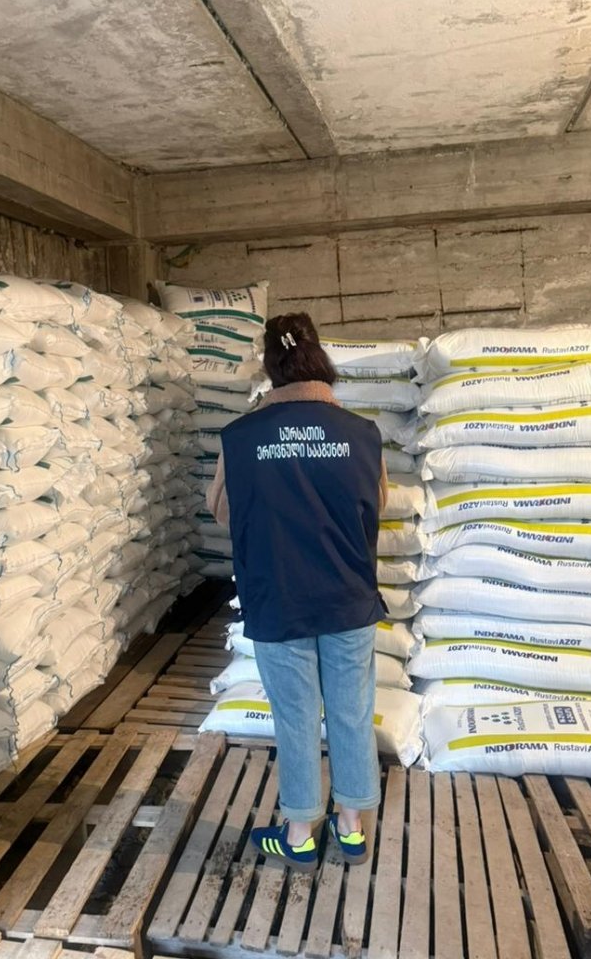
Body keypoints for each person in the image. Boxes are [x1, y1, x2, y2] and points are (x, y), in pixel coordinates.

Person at [206, 312, 387, 871]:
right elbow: (378, 503)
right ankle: (352, 829)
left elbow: (223, 511)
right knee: (352, 711)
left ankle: (300, 834)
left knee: (297, 716)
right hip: (348, 596)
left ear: (270, 365)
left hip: (278, 593)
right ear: (319, 358)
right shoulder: (361, 434)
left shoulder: (241, 438)